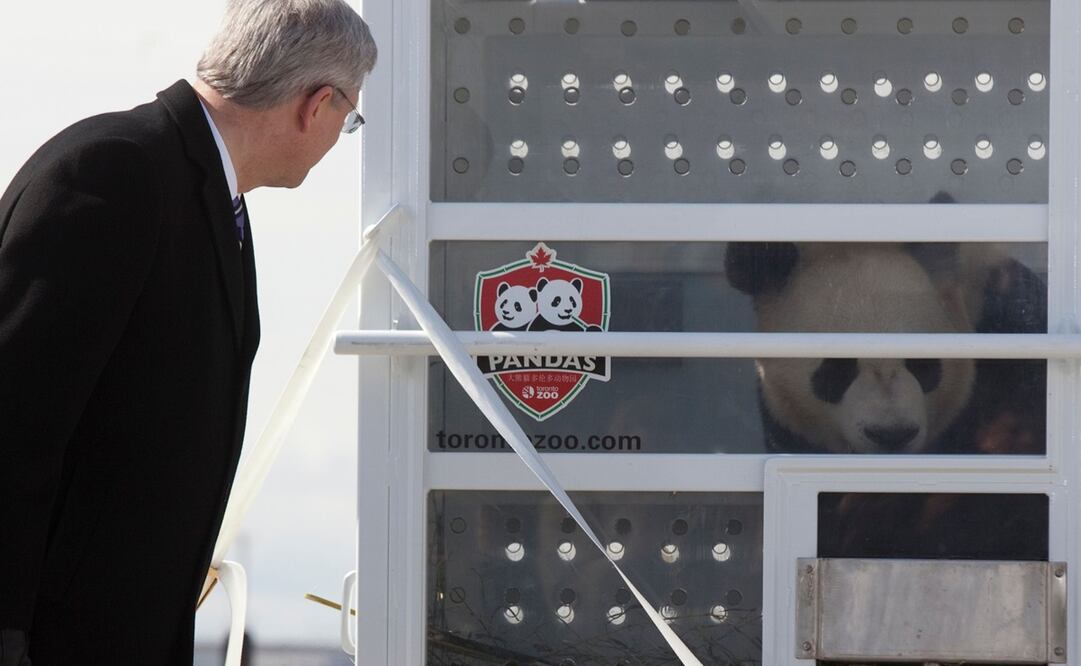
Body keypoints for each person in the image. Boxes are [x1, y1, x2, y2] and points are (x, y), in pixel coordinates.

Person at [0, 0, 376, 662]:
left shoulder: (206, 194)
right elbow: (14, 420)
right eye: (349, 119)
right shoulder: (114, 170)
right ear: (317, 104)